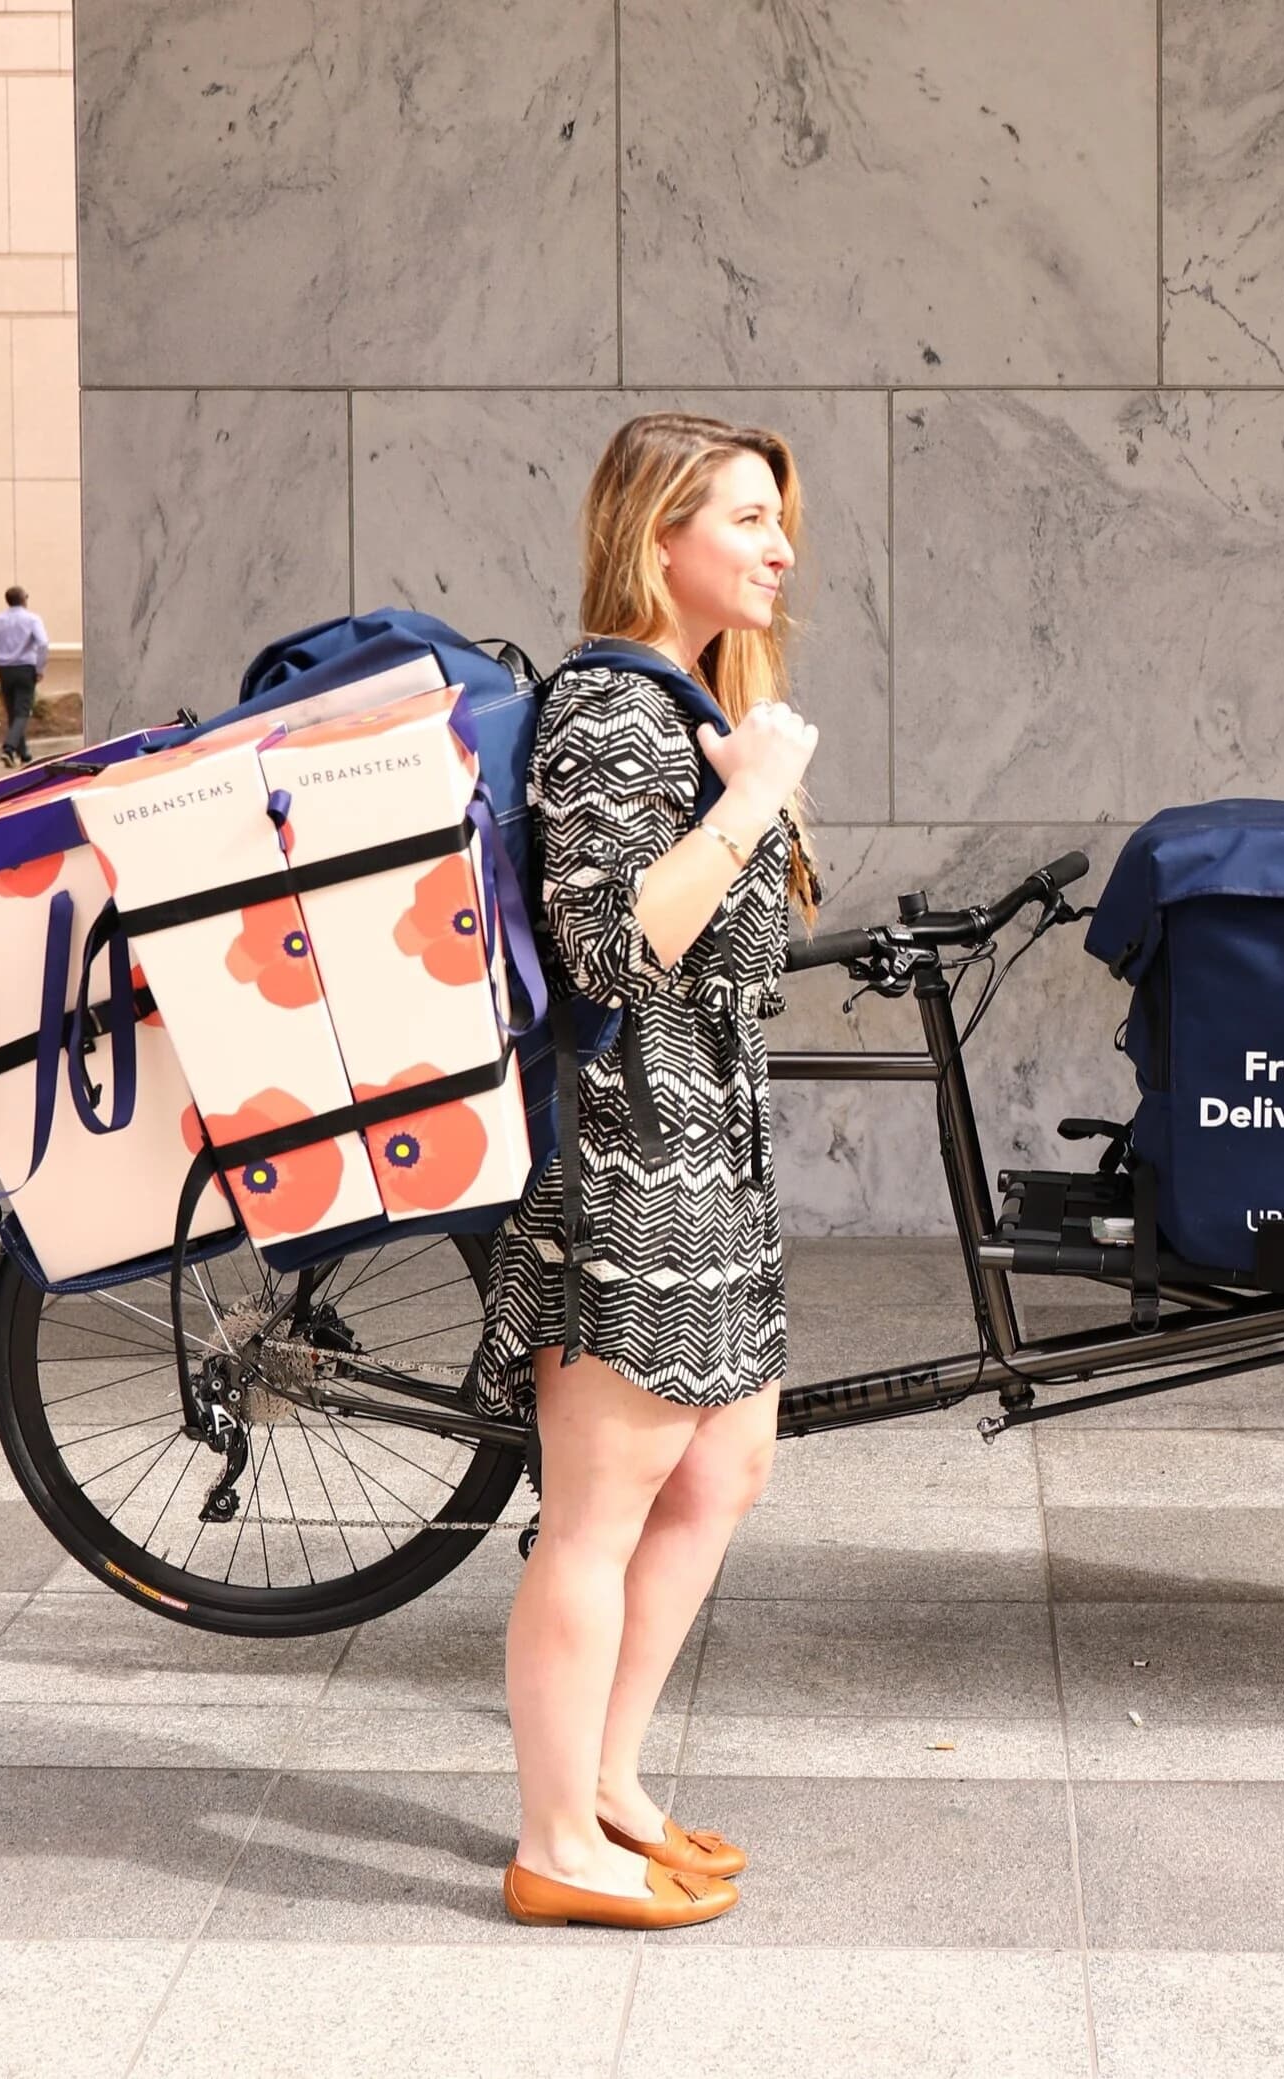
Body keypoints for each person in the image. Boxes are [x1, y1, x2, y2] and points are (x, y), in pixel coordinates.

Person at [475, 413, 823, 1931]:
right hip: (628, 1166)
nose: (779, 545)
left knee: (726, 1463)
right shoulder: (612, 714)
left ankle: (611, 1781)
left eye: (776, 518)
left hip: (709, 1166)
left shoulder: (694, 703)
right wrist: (748, 798)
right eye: (747, 516)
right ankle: (556, 1838)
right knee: (599, 1508)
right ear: (658, 531)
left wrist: (752, 781)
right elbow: (606, 949)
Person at [0, 585, 50, 766]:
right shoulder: (32, 619)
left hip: (5, 670)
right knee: (22, 712)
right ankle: (9, 748)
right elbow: (43, 644)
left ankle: (25, 754)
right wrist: (40, 668)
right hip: (26, 668)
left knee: (13, 712)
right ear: (24, 599)